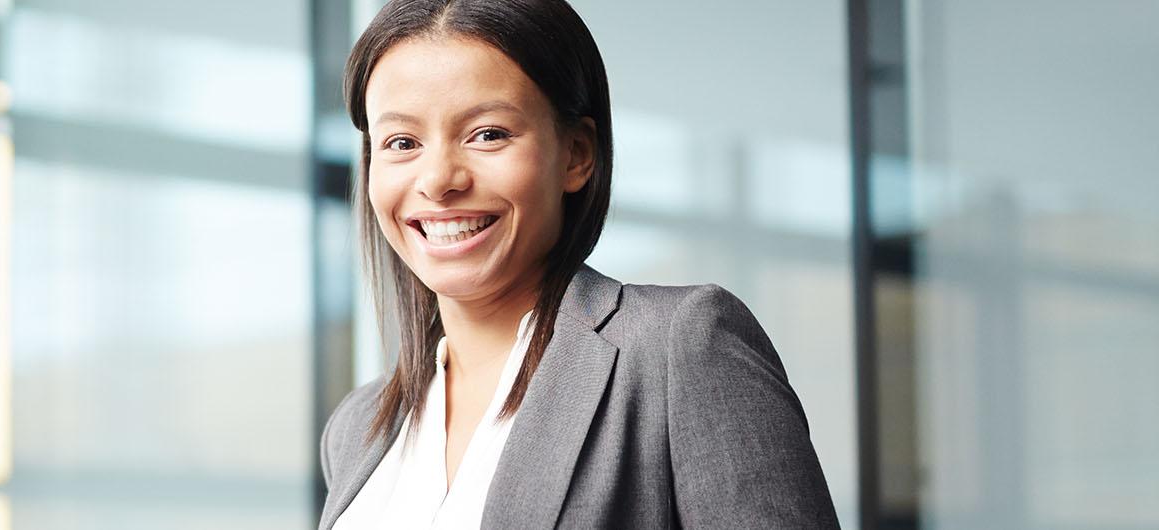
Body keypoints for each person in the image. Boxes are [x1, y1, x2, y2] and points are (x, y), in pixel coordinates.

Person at [318, 0, 840, 528]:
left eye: (489, 134)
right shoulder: (357, 427)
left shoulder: (680, 347)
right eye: (401, 142)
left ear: (576, 154)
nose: (439, 179)